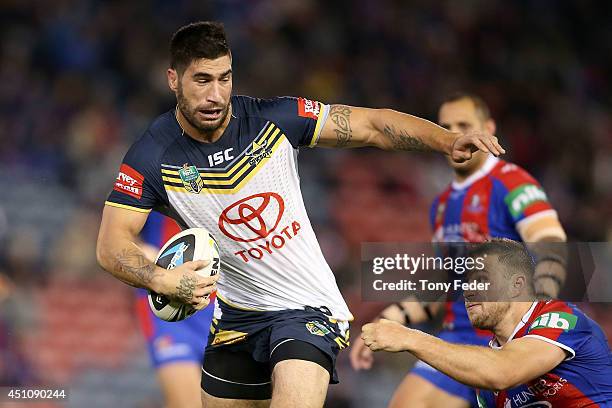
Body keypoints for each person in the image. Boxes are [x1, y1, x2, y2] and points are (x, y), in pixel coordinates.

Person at [95, 22, 503, 408]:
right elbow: (111, 244)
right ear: (173, 80)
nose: (216, 95)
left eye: (225, 78)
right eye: (202, 80)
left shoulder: (272, 118)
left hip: (306, 309)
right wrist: (161, 278)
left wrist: (445, 140)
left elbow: (373, 125)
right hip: (236, 315)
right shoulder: (153, 155)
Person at [350, 93, 567, 408]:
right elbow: (448, 281)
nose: (457, 135)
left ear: (488, 128)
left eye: (464, 125)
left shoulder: (512, 183)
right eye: (447, 127)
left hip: (512, 337)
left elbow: (552, 246)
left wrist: (535, 326)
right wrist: (391, 318)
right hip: (460, 336)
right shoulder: (442, 204)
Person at [361, 239, 612, 407]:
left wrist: (410, 337)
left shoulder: (562, 319)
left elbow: (503, 371)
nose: (468, 292)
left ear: (517, 285)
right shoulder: (485, 381)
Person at [135, 211, 214, 408]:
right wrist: (143, 255)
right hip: (167, 309)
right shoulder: (150, 182)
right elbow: (117, 235)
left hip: (220, 304)